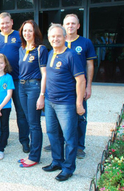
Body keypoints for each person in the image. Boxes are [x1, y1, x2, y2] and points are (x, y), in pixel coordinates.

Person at [42, 24, 85, 182]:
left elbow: (80, 80)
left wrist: (79, 103)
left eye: (58, 36)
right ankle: (57, 161)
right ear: (49, 38)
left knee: (69, 137)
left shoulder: (71, 55)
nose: (55, 39)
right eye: (52, 36)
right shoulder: (50, 53)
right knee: (53, 134)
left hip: (66, 103)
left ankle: (68, 168)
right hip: (50, 101)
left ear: (65, 37)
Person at [0, 12, 30, 153]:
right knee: (1, 112)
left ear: (11, 22)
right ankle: (2, 140)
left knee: (21, 112)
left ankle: (24, 141)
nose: (4, 25)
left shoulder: (19, 36)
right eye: (1, 23)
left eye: (7, 22)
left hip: (17, 80)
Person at [64, 14, 97, 159]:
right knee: (61, 116)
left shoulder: (85, 42)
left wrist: (88, 86)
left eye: (73, 23)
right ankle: (59, 143)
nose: (70, 26)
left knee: (80, 116)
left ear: (78, 26)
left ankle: (79, 146)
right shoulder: (58, 41)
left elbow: (90, 65)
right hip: (63, 87)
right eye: (67, 23)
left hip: (80, 86)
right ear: (63, 25)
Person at [17, 20, 48, 168]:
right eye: (24, 31)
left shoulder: (41, 49)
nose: (27, 33)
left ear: (35, 32)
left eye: (30, 30)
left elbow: (44, 74)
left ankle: (34, 156)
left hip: (34, 87)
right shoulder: (21, 49)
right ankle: (32, 154)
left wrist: (42, 95)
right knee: (29, 121)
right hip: (21, 87)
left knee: (34, 123)